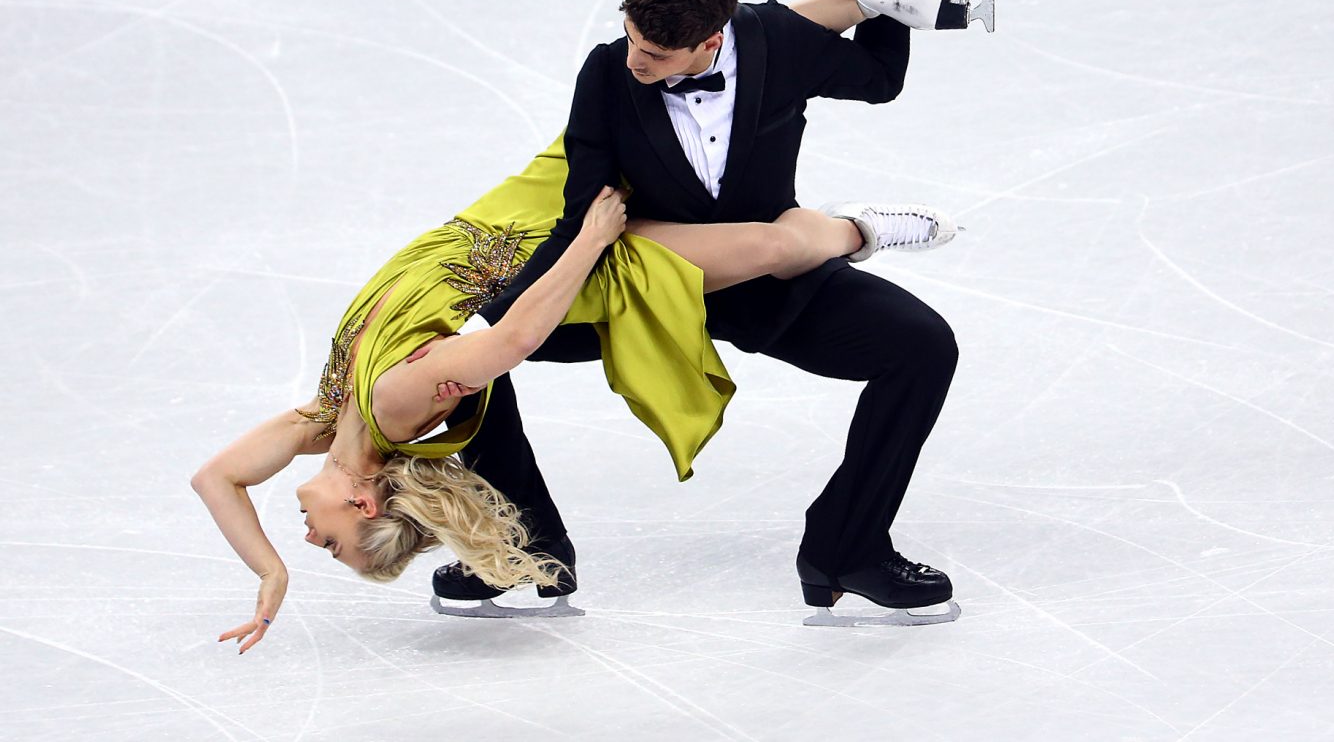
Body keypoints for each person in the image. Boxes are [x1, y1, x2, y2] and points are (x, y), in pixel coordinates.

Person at [191, 123, 954, 651]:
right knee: (777, 252)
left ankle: (539, 542)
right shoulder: (393, 408)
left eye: (320, 548)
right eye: (327, 545)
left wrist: (271, 572)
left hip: (567, 237)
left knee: (915, 344)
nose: (308, 539)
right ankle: (857, 230)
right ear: (364, 500)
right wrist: (590, 242)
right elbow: (515, 338)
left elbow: (216, 477)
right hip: (579, 264)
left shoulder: (331, 417)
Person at [435, 0, 995, 621]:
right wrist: (512, 306)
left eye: (658, 56)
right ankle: (522, 546)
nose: (637, 61)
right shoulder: (608, 72)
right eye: (632, 38)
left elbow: (880, 78)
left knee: (921, 346)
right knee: (463, 359)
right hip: (637, 287)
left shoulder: (776, 42)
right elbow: (585, 211)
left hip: (760, 286)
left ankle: (845, 548)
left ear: (710, 41)